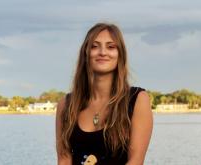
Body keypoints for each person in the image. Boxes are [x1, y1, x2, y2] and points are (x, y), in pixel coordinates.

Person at [56, 23, 153, 165]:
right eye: (95, 46)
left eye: (111, 47)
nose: (102, 52)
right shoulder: (65, 104)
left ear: (120, 54)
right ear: (86, 53)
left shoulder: (137, 99)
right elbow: (64, 160)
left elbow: (136, 161)